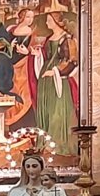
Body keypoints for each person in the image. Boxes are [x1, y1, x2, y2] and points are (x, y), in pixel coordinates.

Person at [34, 10, 80, 155]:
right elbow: (47, 56)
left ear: (57, 22)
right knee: (46, 110)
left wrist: (55, 71)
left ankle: (57, 144)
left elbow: (72, 60)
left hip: (57, 78)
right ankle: (45, 142)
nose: (47, 23)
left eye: (49, 20)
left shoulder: (67, 39)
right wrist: (38, 55)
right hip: (45, 78)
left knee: (56, 110)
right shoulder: (49, 38)